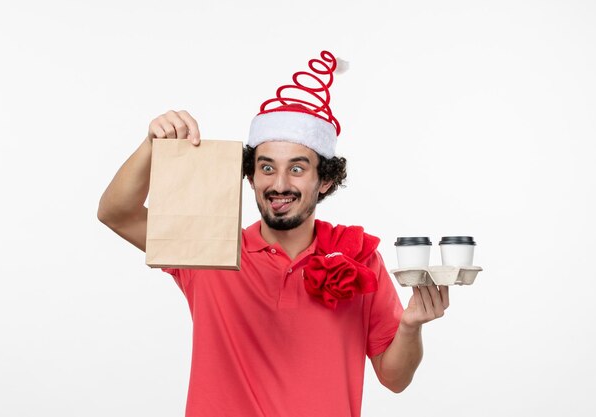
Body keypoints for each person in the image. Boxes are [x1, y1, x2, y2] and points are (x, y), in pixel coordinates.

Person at [98, 51, 449, 417]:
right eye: (267, 168)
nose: (279, 184)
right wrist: (152, 146)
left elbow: (395, 378)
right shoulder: (207, 246)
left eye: (297, 168)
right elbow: (115, 213)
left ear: (325, 180)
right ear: (250, 177)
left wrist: (410, 326)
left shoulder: (359, 257)